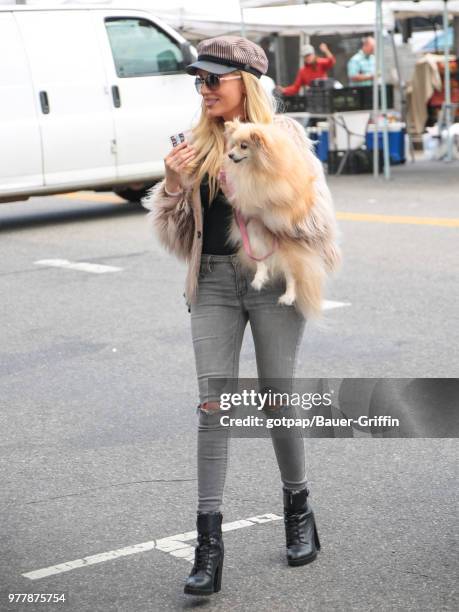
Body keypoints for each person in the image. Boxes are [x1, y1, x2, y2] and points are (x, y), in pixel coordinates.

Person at [143, 35, 340, 597]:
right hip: (211, 284)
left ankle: (298, 509)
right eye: (198, 81)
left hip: (273, 279)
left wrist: (264, 187)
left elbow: (317, 228)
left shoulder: (286, 141)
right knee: (214, 405)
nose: (203, 90)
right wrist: (175, 187)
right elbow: (177, 237)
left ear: (245, 84)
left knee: (278, 395)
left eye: (213, 80)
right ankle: (209, 545)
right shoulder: (189, 146)